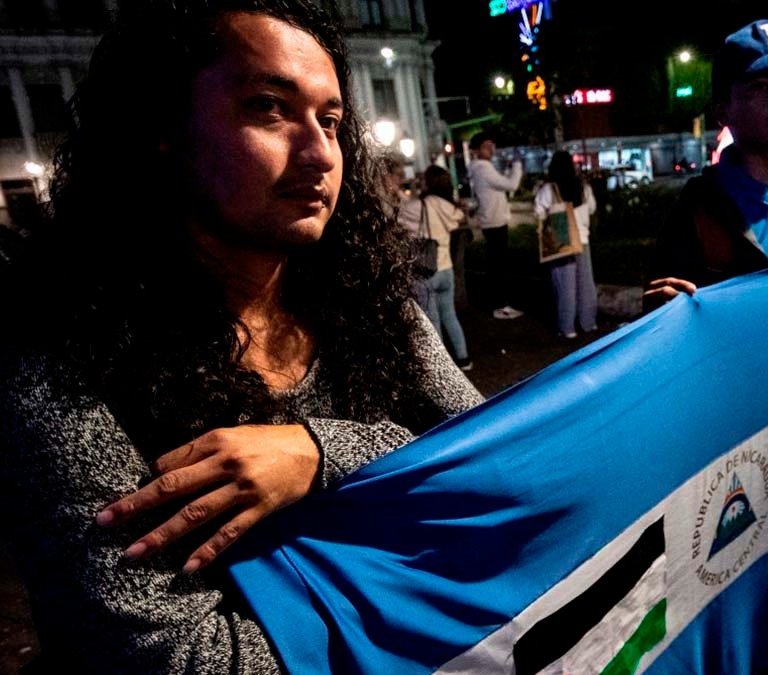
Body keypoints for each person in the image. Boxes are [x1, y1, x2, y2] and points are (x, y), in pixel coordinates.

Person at [0, 1, 483, 672]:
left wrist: (324, 450)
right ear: (164, 124)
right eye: (269, 108)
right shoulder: (62, 363)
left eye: (332, 120)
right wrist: (436, 582)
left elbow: (495, 460)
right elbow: (182, 657)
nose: (319, 153)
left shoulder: (372, 309)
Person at [645, 19, 768, 308]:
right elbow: (667, 330)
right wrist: (662, 313)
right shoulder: (695, 215)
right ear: (723, 112)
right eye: (762, 86)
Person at [399, 165, 473, 369]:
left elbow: (396, 214)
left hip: (425, 271)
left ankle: (443, 368)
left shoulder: (419, 206)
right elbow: (459, 219)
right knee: (450, 315)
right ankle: (464, 358)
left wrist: (397, 190)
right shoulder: (450, 207)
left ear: (429, 182)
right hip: (446, 269)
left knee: (433, 321)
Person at [534, 151, 598, 338]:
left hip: (561, 243)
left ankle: (567, 328)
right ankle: (588, 323)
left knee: (564, 286)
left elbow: (539, 213)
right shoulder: (583, 187)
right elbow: (592, 208)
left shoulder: (548, 189)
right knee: (586, 284)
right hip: (583, 241)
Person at [468, 131, 525, 320]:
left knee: (495, 265)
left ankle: (497, 304)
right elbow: (512, 185)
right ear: (476, 150)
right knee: (497, 266)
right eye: (486, 146)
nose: (491, 149)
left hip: (491, 220)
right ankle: (499, 306)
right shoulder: (483, 168)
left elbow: (501, 185)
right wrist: (517, 164)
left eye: (492, 145)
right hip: (495, 222)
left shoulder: (481, 168)